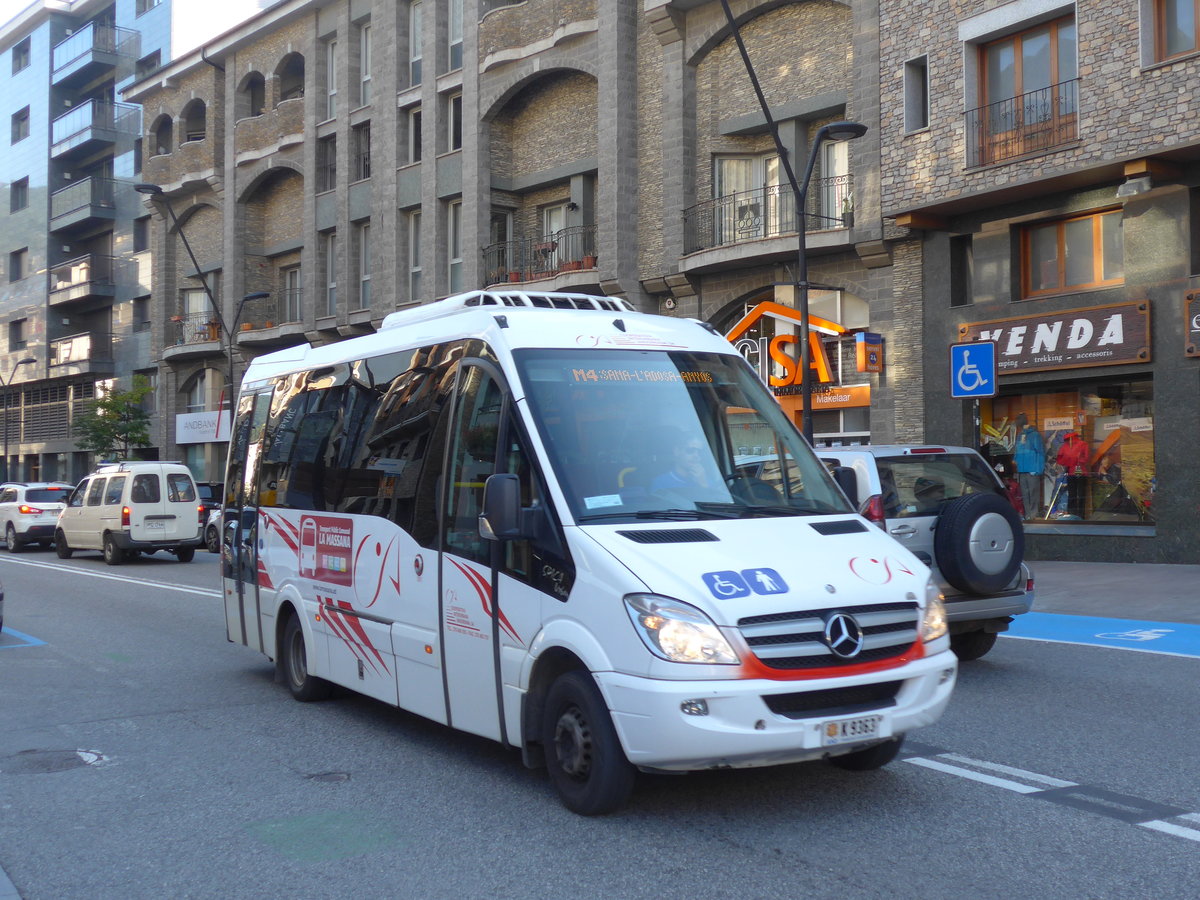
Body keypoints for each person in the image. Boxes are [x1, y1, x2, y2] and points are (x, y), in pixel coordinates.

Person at [1013, 413, 1045, 520]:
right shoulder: (1020, 435)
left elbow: (1040, 452)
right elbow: (1018, 451)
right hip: (1022, 469)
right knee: (1025, 494)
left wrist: (1038, 469)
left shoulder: (1035, 435)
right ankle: (1028, 515)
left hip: (1032, 469)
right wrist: (1015, 461)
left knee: (1033, 493)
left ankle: (1033, 515)